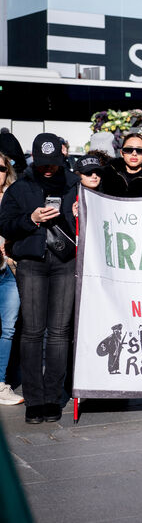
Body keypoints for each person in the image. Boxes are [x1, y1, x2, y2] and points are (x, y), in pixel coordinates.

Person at [0, 134, 79, 423]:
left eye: (53, 163)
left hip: (66, 261)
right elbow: (5, 225)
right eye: (44, 163)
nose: (49, 169)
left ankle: (53, 397)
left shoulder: (75, 184)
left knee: (59, 331)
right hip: (32, 262)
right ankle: (34, 399)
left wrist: (78, 214)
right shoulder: (20, 188)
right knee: (33, 331)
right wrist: (31, 219)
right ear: (34, 158)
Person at [0, 152, 23, 405]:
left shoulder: (13, 196)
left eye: (1, 168)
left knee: (8, 329)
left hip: (9, 270)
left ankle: (0, 385)